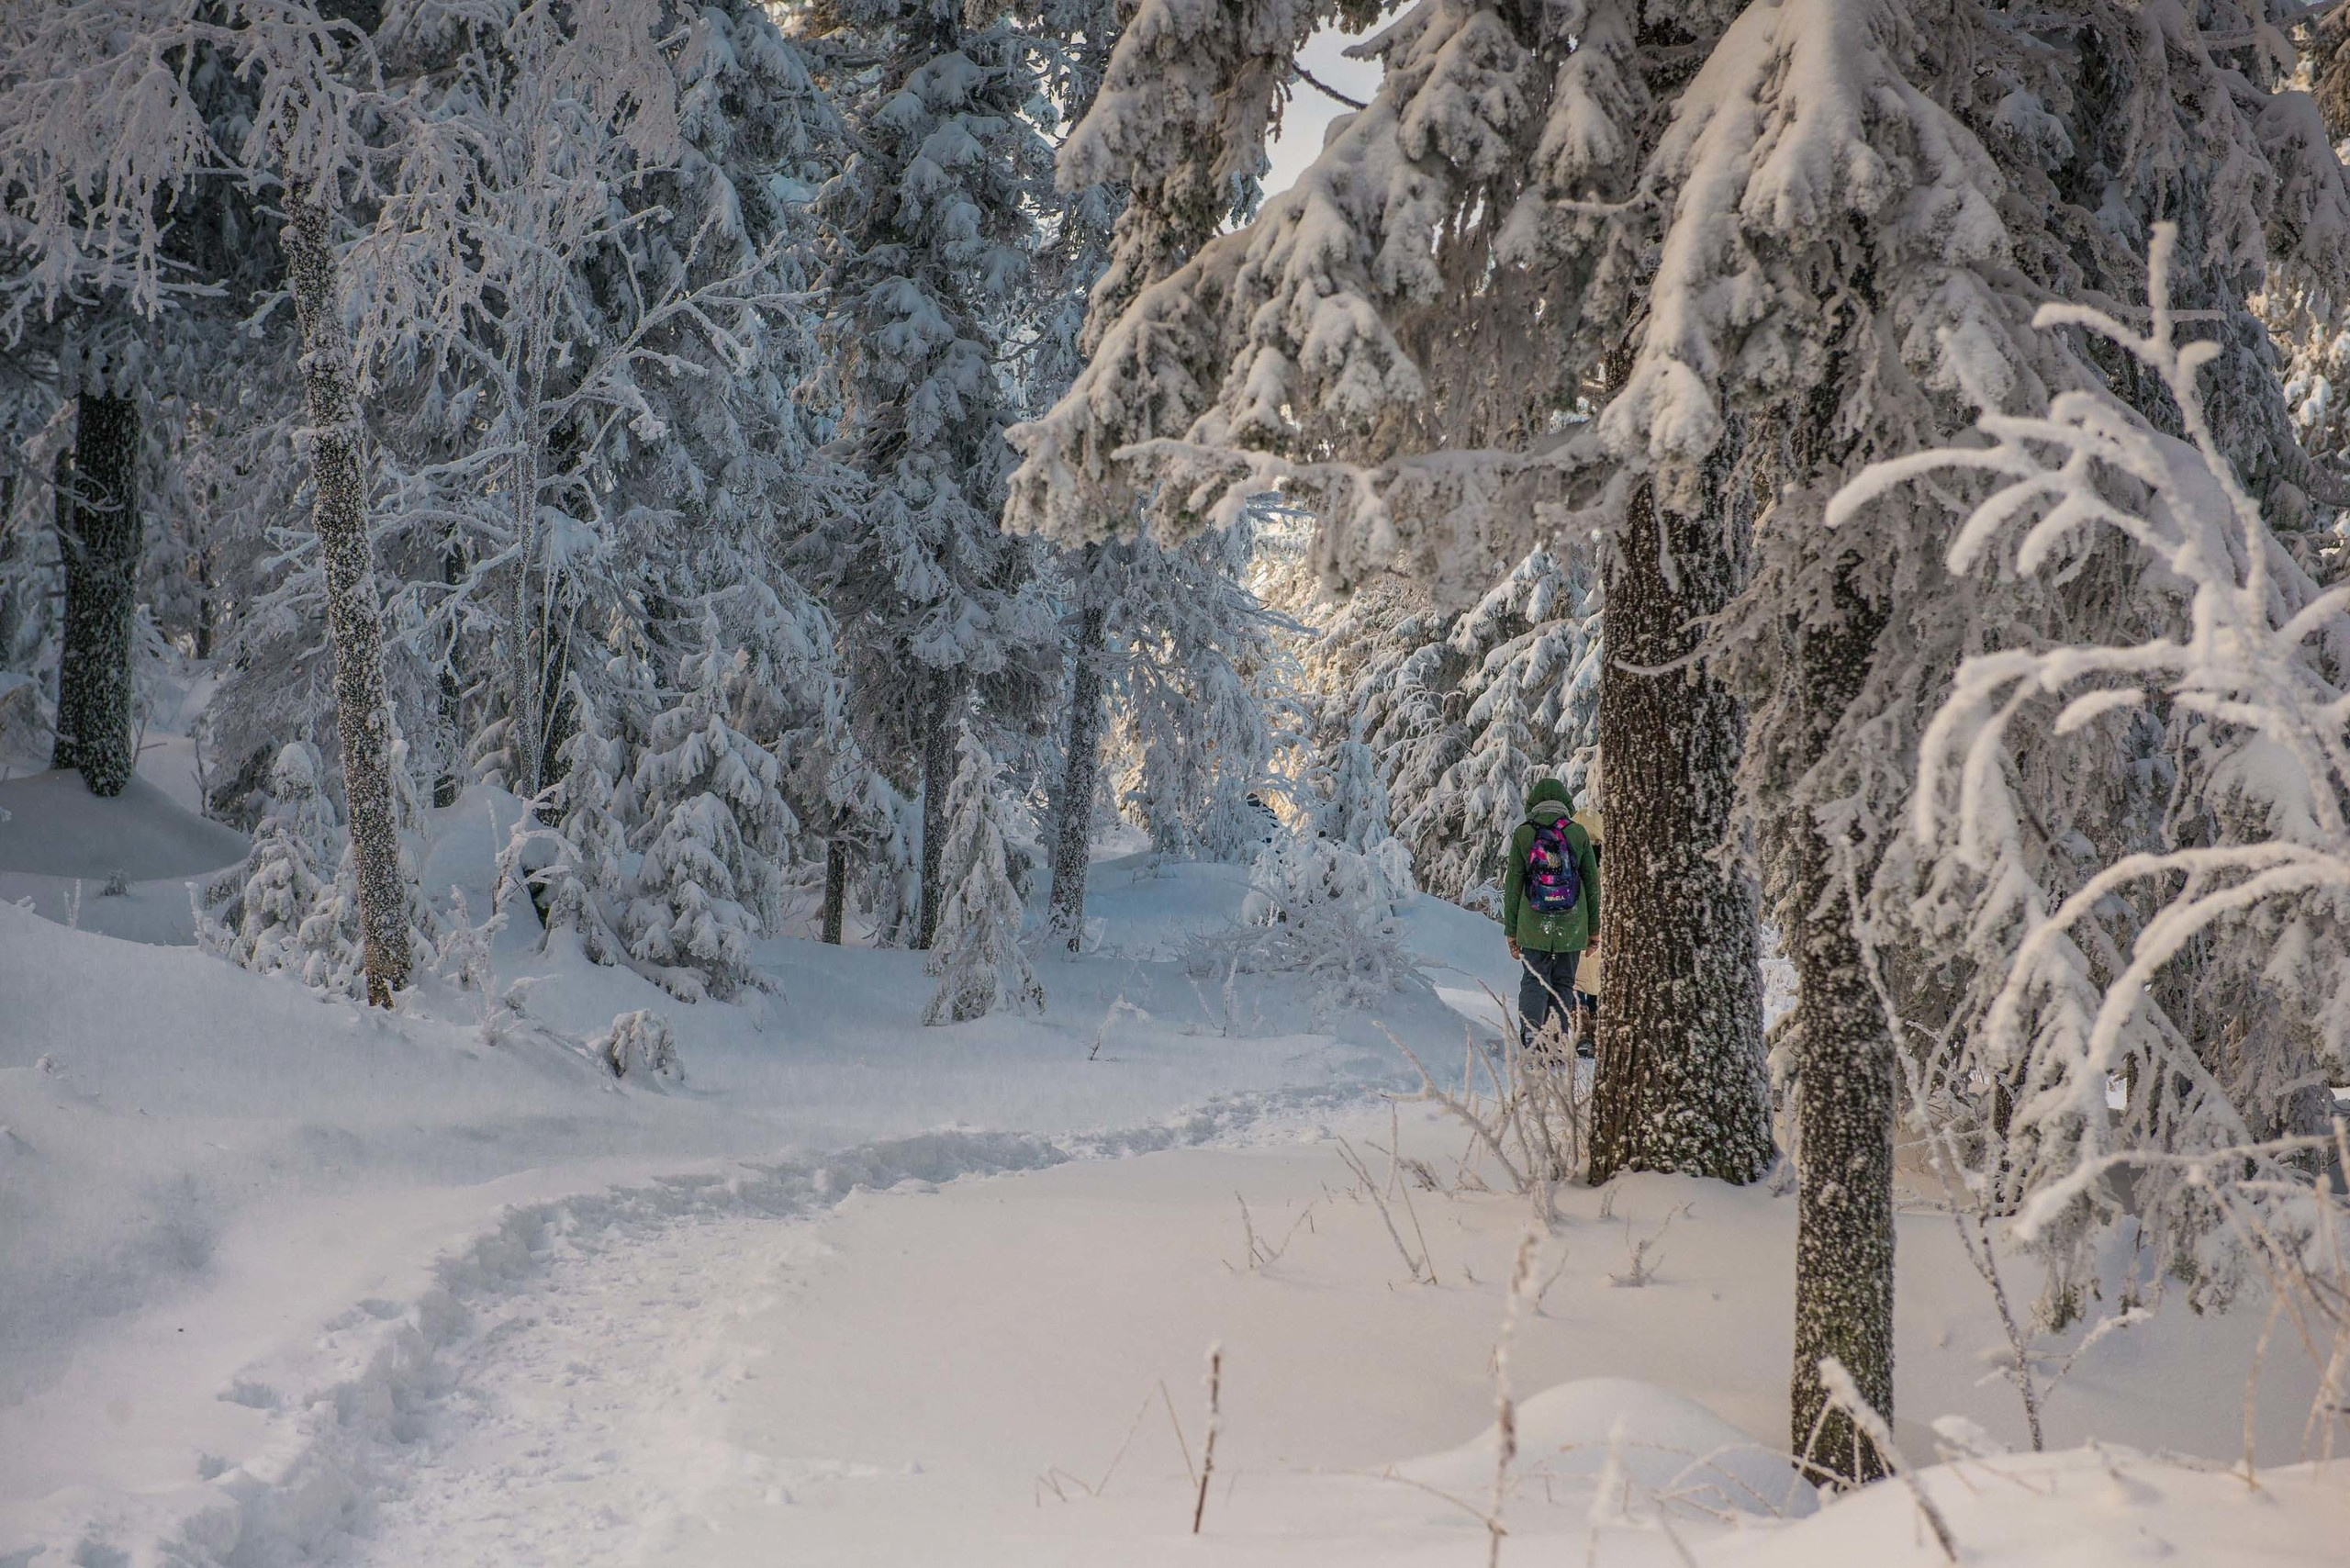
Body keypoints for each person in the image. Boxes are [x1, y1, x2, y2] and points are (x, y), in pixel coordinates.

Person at [1500, 777, 1600, 1048]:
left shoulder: (1523, 834)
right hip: (1572, 923)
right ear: (1565, 802)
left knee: (1534, 978)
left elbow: (1513, 886)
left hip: (1533, 923)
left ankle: (1532, 1033)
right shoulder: (1578, 834)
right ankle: (1556, 1038)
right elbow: (1592, 885)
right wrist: (1593, 930)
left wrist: (1511, 931)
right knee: (1564, 982)